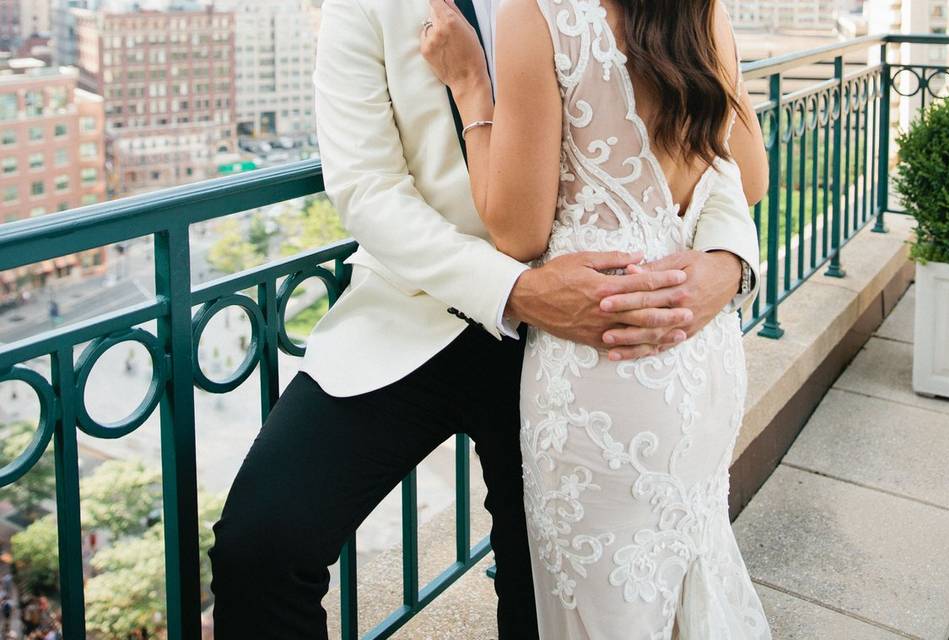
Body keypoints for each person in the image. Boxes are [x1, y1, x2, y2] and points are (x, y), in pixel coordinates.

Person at [208, 0, 761, 637]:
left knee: (547, 586)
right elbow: (366, 188)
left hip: (577, 345)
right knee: (259, 549)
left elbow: (697, 139)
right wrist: (515, 289)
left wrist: (728, 260)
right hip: (415, 316)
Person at [420, 0, 773, 637]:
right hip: (697, 347)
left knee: (606, 611)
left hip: (603, 363)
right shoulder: (701, 10)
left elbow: (517, 231)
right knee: (687, 583)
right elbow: (748, 176)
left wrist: (471, 88)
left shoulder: (540, 13)